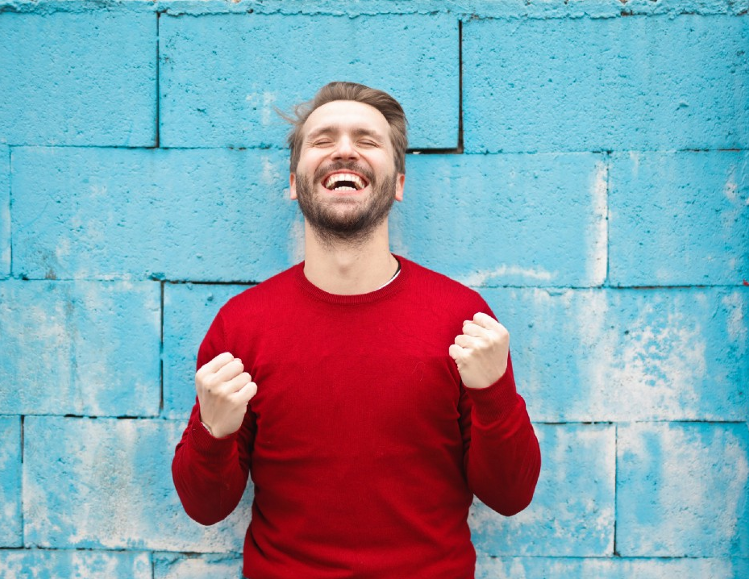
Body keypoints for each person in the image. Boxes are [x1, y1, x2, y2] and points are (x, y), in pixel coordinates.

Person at [172, 81, 541, 579]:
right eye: (323, 140)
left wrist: (495, 396)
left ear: (400, 182)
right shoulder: (242, 325)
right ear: (293, 180)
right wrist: (212, 433)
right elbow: (206, 507)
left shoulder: (463, 319)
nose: (344, 149)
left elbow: (510, 496)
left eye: (367, 140)